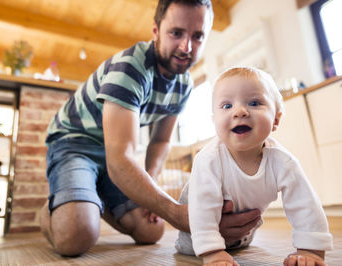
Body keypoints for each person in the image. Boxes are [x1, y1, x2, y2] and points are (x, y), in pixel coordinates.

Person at [40, 0, 261, 257]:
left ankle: (86, 195)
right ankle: (51, 210)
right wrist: (175, 212)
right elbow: (120, 158)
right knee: (76, 236)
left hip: (111, 154)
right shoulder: (130, 68)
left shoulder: (184, 84)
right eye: (176, 33)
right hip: (73, 141)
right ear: (156, 30)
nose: (185, 47)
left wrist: (152, 180)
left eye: (197, 36)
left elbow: (160, 141)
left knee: (151, 231)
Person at [175, 66, 333, 265]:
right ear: (214, 121)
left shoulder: (282, 161)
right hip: (195, 239)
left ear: (276, 119)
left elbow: (305, 203)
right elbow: (202, 208)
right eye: (226, 106)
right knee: (197, 231)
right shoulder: (207, 160)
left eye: (254, 103)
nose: (240, 111)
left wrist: (311, 250)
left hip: (242, 238)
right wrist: (212, 253)